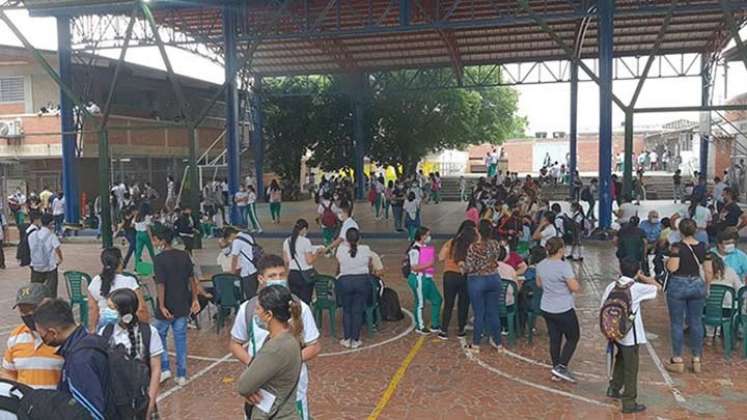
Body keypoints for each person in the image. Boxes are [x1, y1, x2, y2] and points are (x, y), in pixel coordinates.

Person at [229, 255, 321, 420]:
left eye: (281, 275)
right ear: (261, 279)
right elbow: (235, 343)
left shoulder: (300, 307)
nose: (278, 279)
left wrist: (286, 365)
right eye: (272, 276)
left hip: (292, 387)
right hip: (260, 389)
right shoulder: (249, 308)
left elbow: (314, 346)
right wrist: (257, 367)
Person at [33, 299, 110, 419]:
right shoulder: (91, 339)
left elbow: (91, 413)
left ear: (53, 333)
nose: (41, 338)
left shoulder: (79, 360)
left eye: (41, 334)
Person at [601, 258, 659, 414]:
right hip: (630, 334)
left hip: (614, 332)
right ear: (636, 271)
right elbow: (657, 288)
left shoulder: (611, 286)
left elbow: (602, 306)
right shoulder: (637, 288)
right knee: (631, 369)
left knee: (620, 359)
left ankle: (614, 388)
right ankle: (629, 402)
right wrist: (643, 277)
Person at [236, 285, 303, 420]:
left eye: (258, 308)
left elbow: (243, 385)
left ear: (269, 315)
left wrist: (250, 390)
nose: (255, 313)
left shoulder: (276, 348)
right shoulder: (289, 336)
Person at [98, 288, 162, 419]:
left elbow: (156, 369)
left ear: (125, 311)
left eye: (111, 308)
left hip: (141, 400)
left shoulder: (149, 333)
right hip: (115, 401)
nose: (106, 312)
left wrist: (150, 403)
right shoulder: (105, 332)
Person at [152, 228, 200, 386]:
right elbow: (192, 280)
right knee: (180, 340)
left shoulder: (159, 259)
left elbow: (160, 284)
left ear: (162, 241)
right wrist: (194, 299)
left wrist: (161, 305)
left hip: (166, 305)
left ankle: (165, 367)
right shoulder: (184, 255)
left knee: (159, 336)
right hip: (182, 304)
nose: (154, 242)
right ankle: (182, 374)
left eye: (155, 239)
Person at [1, 283, 64, 389]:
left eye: (34, 308)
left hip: (56, 403)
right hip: (25, 403)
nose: (29, 314)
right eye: (23, 310)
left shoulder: (65, 336)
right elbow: (8, 373)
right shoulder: (16, 336)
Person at [664, 218, 706, 374]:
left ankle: (678, 359)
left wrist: (666, 262)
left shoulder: (676, 247)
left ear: (680, 231)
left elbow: (673, 268)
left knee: (677, 323)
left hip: (678, 285)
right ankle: (696, 359)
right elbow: (708, 271)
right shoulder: (703, 247)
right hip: (697, 285)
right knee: (696, 321)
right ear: (696, 230)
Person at [536, 237, 581, 383]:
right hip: (563, 308)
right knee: (573, 337)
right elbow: (574, 287)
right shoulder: (563, 266)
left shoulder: (541, 264)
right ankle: (561, 366)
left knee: (555, 338)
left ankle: (556, 369)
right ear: (560, 250)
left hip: (546, 307)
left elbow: (538, 283)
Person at [462, 220, 505, 353]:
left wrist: (462, 266)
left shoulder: (473, 247)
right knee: (493, 312)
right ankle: (499, 344)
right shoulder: (495, 244)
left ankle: (476, 344)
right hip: (494, 278)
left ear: (478, 231)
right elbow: (497, 258)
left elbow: (470, 266)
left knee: (479, 313)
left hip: (477, 280)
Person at [87, 247, 149, 331]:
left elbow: (93, 309)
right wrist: (145, 328)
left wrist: (93, 330)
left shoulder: (95, 281)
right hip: (127, 327)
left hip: (104, 329)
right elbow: (141, 309)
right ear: (120, 261)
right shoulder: (129, 281)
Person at [335, 228, 373, 348]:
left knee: (347, 311)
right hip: (362, 281)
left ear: (346, 239)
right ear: (359, 238)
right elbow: (369, 264)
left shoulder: (340, 250)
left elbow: (339, 263)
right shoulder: (366, 249)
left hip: (345, 281)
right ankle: (355, 340)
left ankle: (347, 339)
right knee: (357, 312)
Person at [438, 221, 476, 339]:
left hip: (449, 275)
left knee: (448, 303)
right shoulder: (473, 245)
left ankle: (444, 330)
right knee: (463, 303)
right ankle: (461, 329)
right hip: (465, 276)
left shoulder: (452, 242)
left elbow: (440, 257)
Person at [407, 226, 443, 336]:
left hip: (427, 278)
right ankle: (420, 326)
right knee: (420, 303)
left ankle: (435, 324)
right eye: (427, 235)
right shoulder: (414, 250)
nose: (429, 237)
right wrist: (429, 264)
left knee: (437, 299)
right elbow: (414, 267)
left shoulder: (424, 247)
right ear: (422, 236)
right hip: (418, 278)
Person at [283, 219, 324, 304]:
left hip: (292, 275)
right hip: (305, 276)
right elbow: (309, 261)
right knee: (305, 304)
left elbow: (286, 261)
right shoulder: (305, 241)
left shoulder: (287, 241)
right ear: (304, 229)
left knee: (295, 303)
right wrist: (317, 253)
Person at [28, 213, 62, 298]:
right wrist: (60, 259)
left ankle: (35, 306)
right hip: (49, 267)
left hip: (35, 266)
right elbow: (57, 249)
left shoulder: (32, 235)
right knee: (51, 291)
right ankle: (51, 307)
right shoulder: (52, 235)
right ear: (50, 223)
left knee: (35, 290)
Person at [225, 227, 260, 300]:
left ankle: (252, 310)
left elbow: (234, 258)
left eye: (229, 239)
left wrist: (232, 273)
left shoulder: (237, 241)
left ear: (231, 235)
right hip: (255, 268)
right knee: (255, 293)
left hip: (246, 272)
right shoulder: (247, 236)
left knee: (250, 297)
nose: (230, 241)